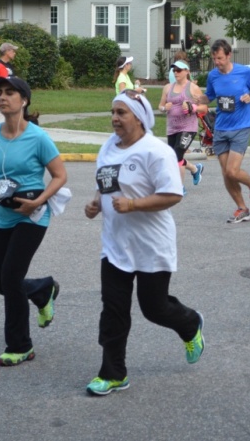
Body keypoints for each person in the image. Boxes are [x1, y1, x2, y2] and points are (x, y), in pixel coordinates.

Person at [84, 90, 204, 396]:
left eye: (121, 113)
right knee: (113, 311)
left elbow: (173, 194)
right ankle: (113, 373)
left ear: (139, 117)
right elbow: (106, 183)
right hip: (114, 245)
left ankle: (190, 324)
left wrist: (135, 205)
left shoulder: (156, 151)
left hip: (151, 244)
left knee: (155, 308)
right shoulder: (109, 147)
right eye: (113, 112)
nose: (114, 118)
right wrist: (97, 201)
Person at [0, 76, 67, 367]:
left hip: (32, 215)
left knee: (10, 278)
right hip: (1, 215)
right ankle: (41, 289)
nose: (3, 97)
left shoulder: (38, 137)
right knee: (0, 283)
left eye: (11, 93)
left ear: (23, 101)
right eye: (0, 93)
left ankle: (20, 345)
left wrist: (38, 201)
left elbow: (60, 176)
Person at [198, 39, 250, 223]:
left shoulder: (244, 72)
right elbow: (209, 96)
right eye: (214, 59)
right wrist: (198, 98)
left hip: (241, 126)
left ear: (229, 55)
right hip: (220, 127)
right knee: (226, 173)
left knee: (233, 171)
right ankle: (242, 208)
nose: (217, 62)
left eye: (220, 58)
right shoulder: (213, 76)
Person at [158, 60, 207, 192]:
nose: (176, 73)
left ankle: (179, 187)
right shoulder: (168, 87)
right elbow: (160, 106)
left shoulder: (193, 88)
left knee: (177, 155)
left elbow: (204, 108)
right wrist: (164, 108)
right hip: (172, 127)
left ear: (186, 71)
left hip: (188, 127)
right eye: (174, 70)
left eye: (179, 70)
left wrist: (193, 106)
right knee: (174, 157)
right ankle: (194, 169)